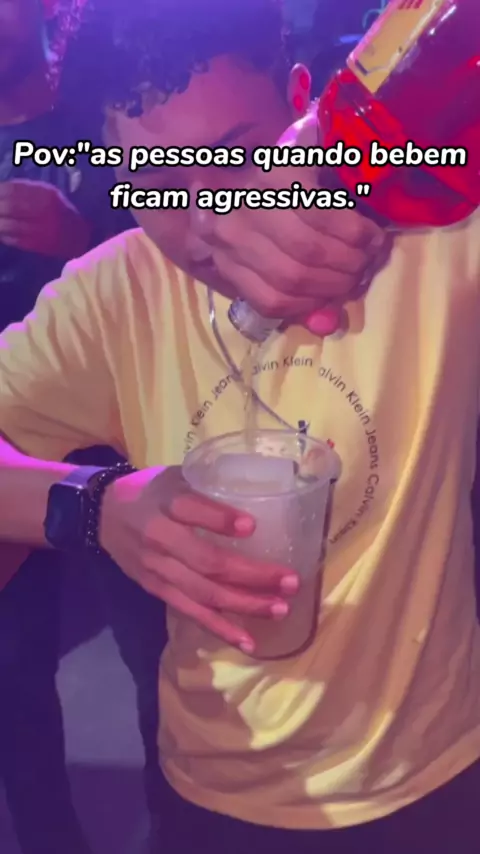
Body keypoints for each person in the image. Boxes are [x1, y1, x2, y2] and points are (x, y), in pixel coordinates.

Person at [1, 0, 480, 852]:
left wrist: (356, 161)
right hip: (213, 782)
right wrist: (93, 505)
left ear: (301, 106)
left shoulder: (427, 240)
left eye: (238, 157)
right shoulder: (114, 296)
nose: (206, 222)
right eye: (158, 184)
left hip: (432, 768)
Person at [0, 1, 129, 851]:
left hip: (115, 440)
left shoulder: (103, 117)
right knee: (13, 670)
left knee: (162, 652)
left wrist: (80, 238)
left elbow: (182, 247)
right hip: (9, 434)